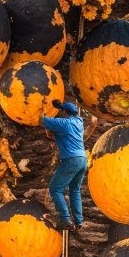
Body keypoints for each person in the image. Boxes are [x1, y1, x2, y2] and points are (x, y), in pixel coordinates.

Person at [41, 99, 88, 231]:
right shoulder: (79, 122)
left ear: (64, 112)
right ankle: (78, 221)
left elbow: (41, 120)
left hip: (71, 160)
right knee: (74, 190)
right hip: (83, 160)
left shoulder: (64, 123)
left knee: (55, 189)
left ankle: (65, 219)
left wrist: (42, 105)